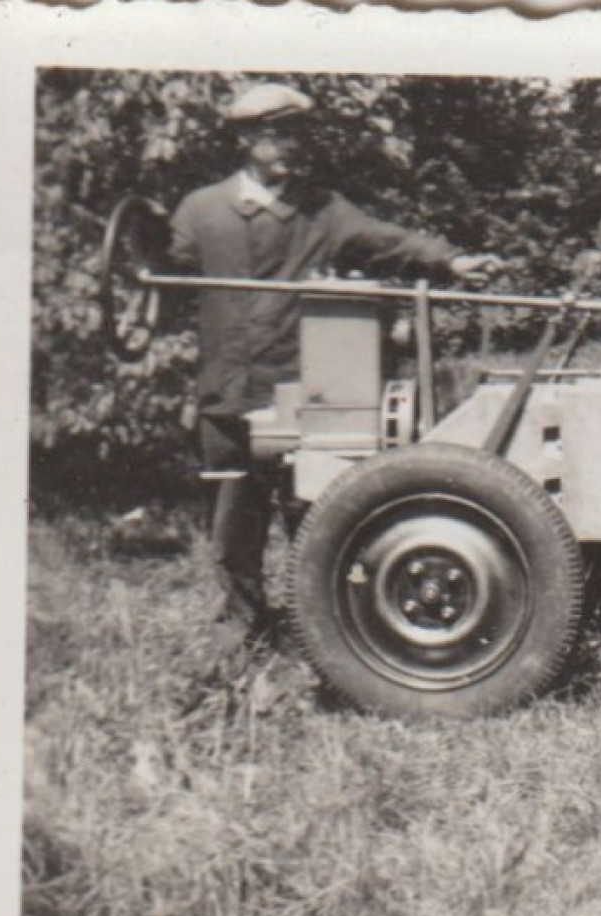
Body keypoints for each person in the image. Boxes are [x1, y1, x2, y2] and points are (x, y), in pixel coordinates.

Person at [168, 83, 493, 646]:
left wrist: (452, 260)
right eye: (276, 134)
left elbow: (387, 241)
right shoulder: (200, 212)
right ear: (246, 139)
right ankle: (240, 624)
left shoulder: (323, 211)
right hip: (226, 390)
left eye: (297, 134)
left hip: (303, 392)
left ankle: (321, 625)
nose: (290, 146)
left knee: (312, 511)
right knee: (231, 519)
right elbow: (163, 285)